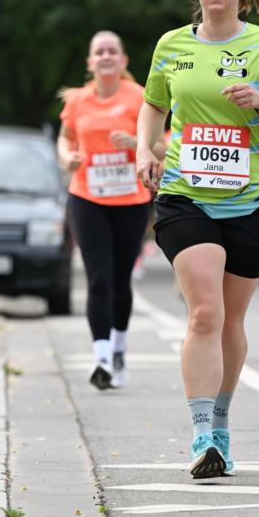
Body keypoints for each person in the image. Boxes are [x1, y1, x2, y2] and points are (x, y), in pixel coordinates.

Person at [136, 0, 259, 479]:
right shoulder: (172, 45)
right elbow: (153, 105)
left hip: (252, 199)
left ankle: (223, 425)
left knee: (231, 321)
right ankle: (201, 434)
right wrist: (143, 148)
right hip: (186, 196)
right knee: (204, 313)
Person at [57, 31, 151, 390]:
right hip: (87, 197)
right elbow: (65, 137)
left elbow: (165, 142)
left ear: (123, 60)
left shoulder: (140, 97)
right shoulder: (78, 101)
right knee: (97, 278)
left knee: (120, 279)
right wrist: (67, 157)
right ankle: (101, 358)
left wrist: (136, 143)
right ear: (90, 62)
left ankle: (119, 349)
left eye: (112, 51)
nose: (106, 56)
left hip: (131, 200)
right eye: (100, 52)